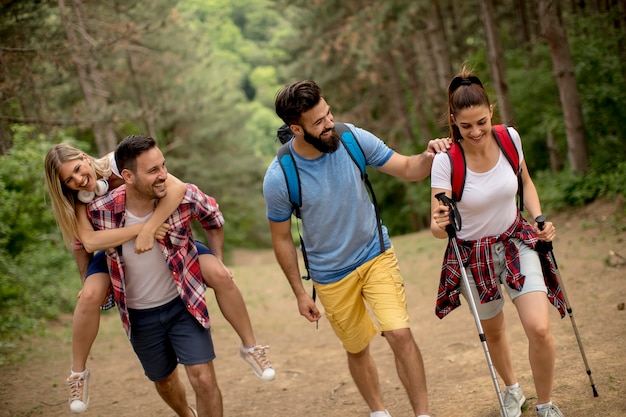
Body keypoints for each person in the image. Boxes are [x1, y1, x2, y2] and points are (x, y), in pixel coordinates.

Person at [263, 79, 449, 417]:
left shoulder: (351, 139)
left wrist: (428, 155)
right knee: (358, 347)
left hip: (375, 254)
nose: (329, 123)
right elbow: (281, 239)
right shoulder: (280, 176)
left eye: (328, 113)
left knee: (399, 334)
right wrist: (300, 292)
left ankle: (423, 415)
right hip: (330, 275)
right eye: (318, 122)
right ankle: (379, 411)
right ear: (296, 128)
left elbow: (408, 168)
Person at [45, 144, 273, 414]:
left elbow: (177, 188)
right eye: (69, 180)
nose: (79, 180)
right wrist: (137, 233)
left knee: (219, 273)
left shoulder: (117, 164)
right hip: (113, 250)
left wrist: (151, 228)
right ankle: (78, 373)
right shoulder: (81, 199)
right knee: (89, 296)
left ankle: (251, 346)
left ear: (85, 158)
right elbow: (87, 242)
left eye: (78, 170)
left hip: (166, 239)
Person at [430, 67, 566, 417]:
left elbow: (526, 183)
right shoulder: (446, 162)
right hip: (472, 255)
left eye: (481, 122)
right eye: (465, 126)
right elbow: (437, 225)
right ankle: (512, 390)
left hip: (516, 239)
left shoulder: (510, 139)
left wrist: (539, 220)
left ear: (491, 110)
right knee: (495, 330)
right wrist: (440, 222)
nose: (475, 132)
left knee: (539, 327)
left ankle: (546, 404)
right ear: (453, 121)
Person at [86, 134, 225, 416]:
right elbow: (82, 242)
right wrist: (86, 278)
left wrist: (217, 260)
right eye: (153, 170)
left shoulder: (180, 196)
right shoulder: (100, 211)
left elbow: (214, 217)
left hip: (182, 304)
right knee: (164, 381)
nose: (163, 175)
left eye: (163, 166)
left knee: (204, 378)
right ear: (127, 176)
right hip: (139, 315)